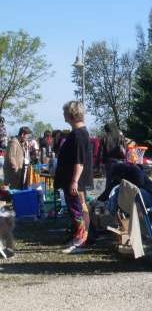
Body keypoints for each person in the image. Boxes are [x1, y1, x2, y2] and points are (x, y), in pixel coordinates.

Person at [54, 101, 93, 254]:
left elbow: (79, 161)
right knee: (79, 208)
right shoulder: (79, 133)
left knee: (77, 209)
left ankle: (81, 239)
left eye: (65, 113)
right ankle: (80, 237)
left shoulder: (79, 134)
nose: (63, 115)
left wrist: (74, 181)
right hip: (72, 179)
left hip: (76, 180)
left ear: (71, 114)